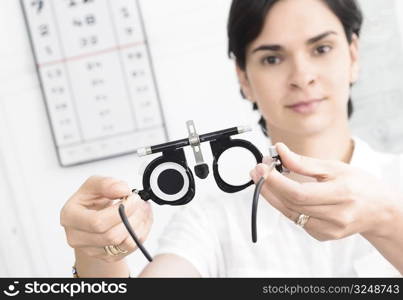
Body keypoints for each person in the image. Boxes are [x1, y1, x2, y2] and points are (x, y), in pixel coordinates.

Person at [60, 0, 403, 277]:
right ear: (244, 78)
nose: (302, 77)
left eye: (322, 48)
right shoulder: (210, 222)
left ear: (353, 55)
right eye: (272, 58)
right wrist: (99, 255)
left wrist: (387, 221)